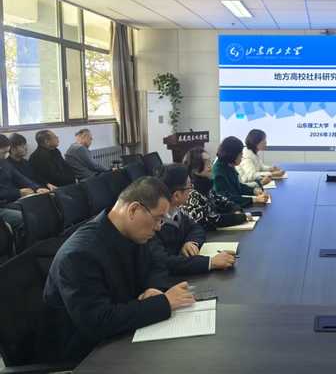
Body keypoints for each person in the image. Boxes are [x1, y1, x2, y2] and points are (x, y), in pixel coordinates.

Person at [36, 177, 195, 364]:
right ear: (133, 210)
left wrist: (155, 288)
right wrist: (163, 303)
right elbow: (99, 323)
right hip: (82, 355)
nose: (158, 228)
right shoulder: (79, 254)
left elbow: (156, 263)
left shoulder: (133, 232)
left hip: (121, 334)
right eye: (157, 219)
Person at [150, 163, 237, 275]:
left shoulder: (176, 211)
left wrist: (191, 243)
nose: (191, 190)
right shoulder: (153, 224)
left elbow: (196, 227)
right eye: (189, 187)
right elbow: (163, 262)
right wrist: (210, 262)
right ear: (176, 195)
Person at [183, 147, 248, 229]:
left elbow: (222, 201)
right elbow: (203, 219)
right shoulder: (190, 191)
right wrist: (235, 217)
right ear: (193, 168)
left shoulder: (206, 185)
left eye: (209, 161)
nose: (210, 166)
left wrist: (235, 209)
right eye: (205, 163)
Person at [0, 135, 49, 231]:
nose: (5, 156)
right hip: (2, 205)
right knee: (28, 218)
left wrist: (36, 188)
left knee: (44, 207)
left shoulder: (4, 163)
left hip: (9, 201)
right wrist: (18, 192)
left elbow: (18, 177)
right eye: (3, 153)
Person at [212, 136, 271, 209]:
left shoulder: (228, 165)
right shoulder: (218, 172)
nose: (242, 156)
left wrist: (254, 191)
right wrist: (254, 200)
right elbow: (225, 198)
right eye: (240, 154)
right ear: (233, 154)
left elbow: (238, 186)